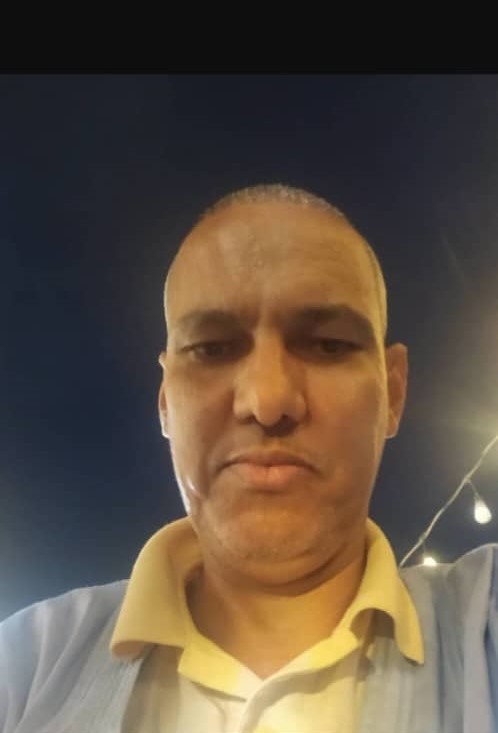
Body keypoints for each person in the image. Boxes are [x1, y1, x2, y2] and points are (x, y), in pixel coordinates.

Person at [1, 184, 497, 733]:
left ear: (394, 392)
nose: (267, 400)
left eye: (329, 344)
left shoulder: (484, 625)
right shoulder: (25, 667)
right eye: (211, 349)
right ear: (165, 405)